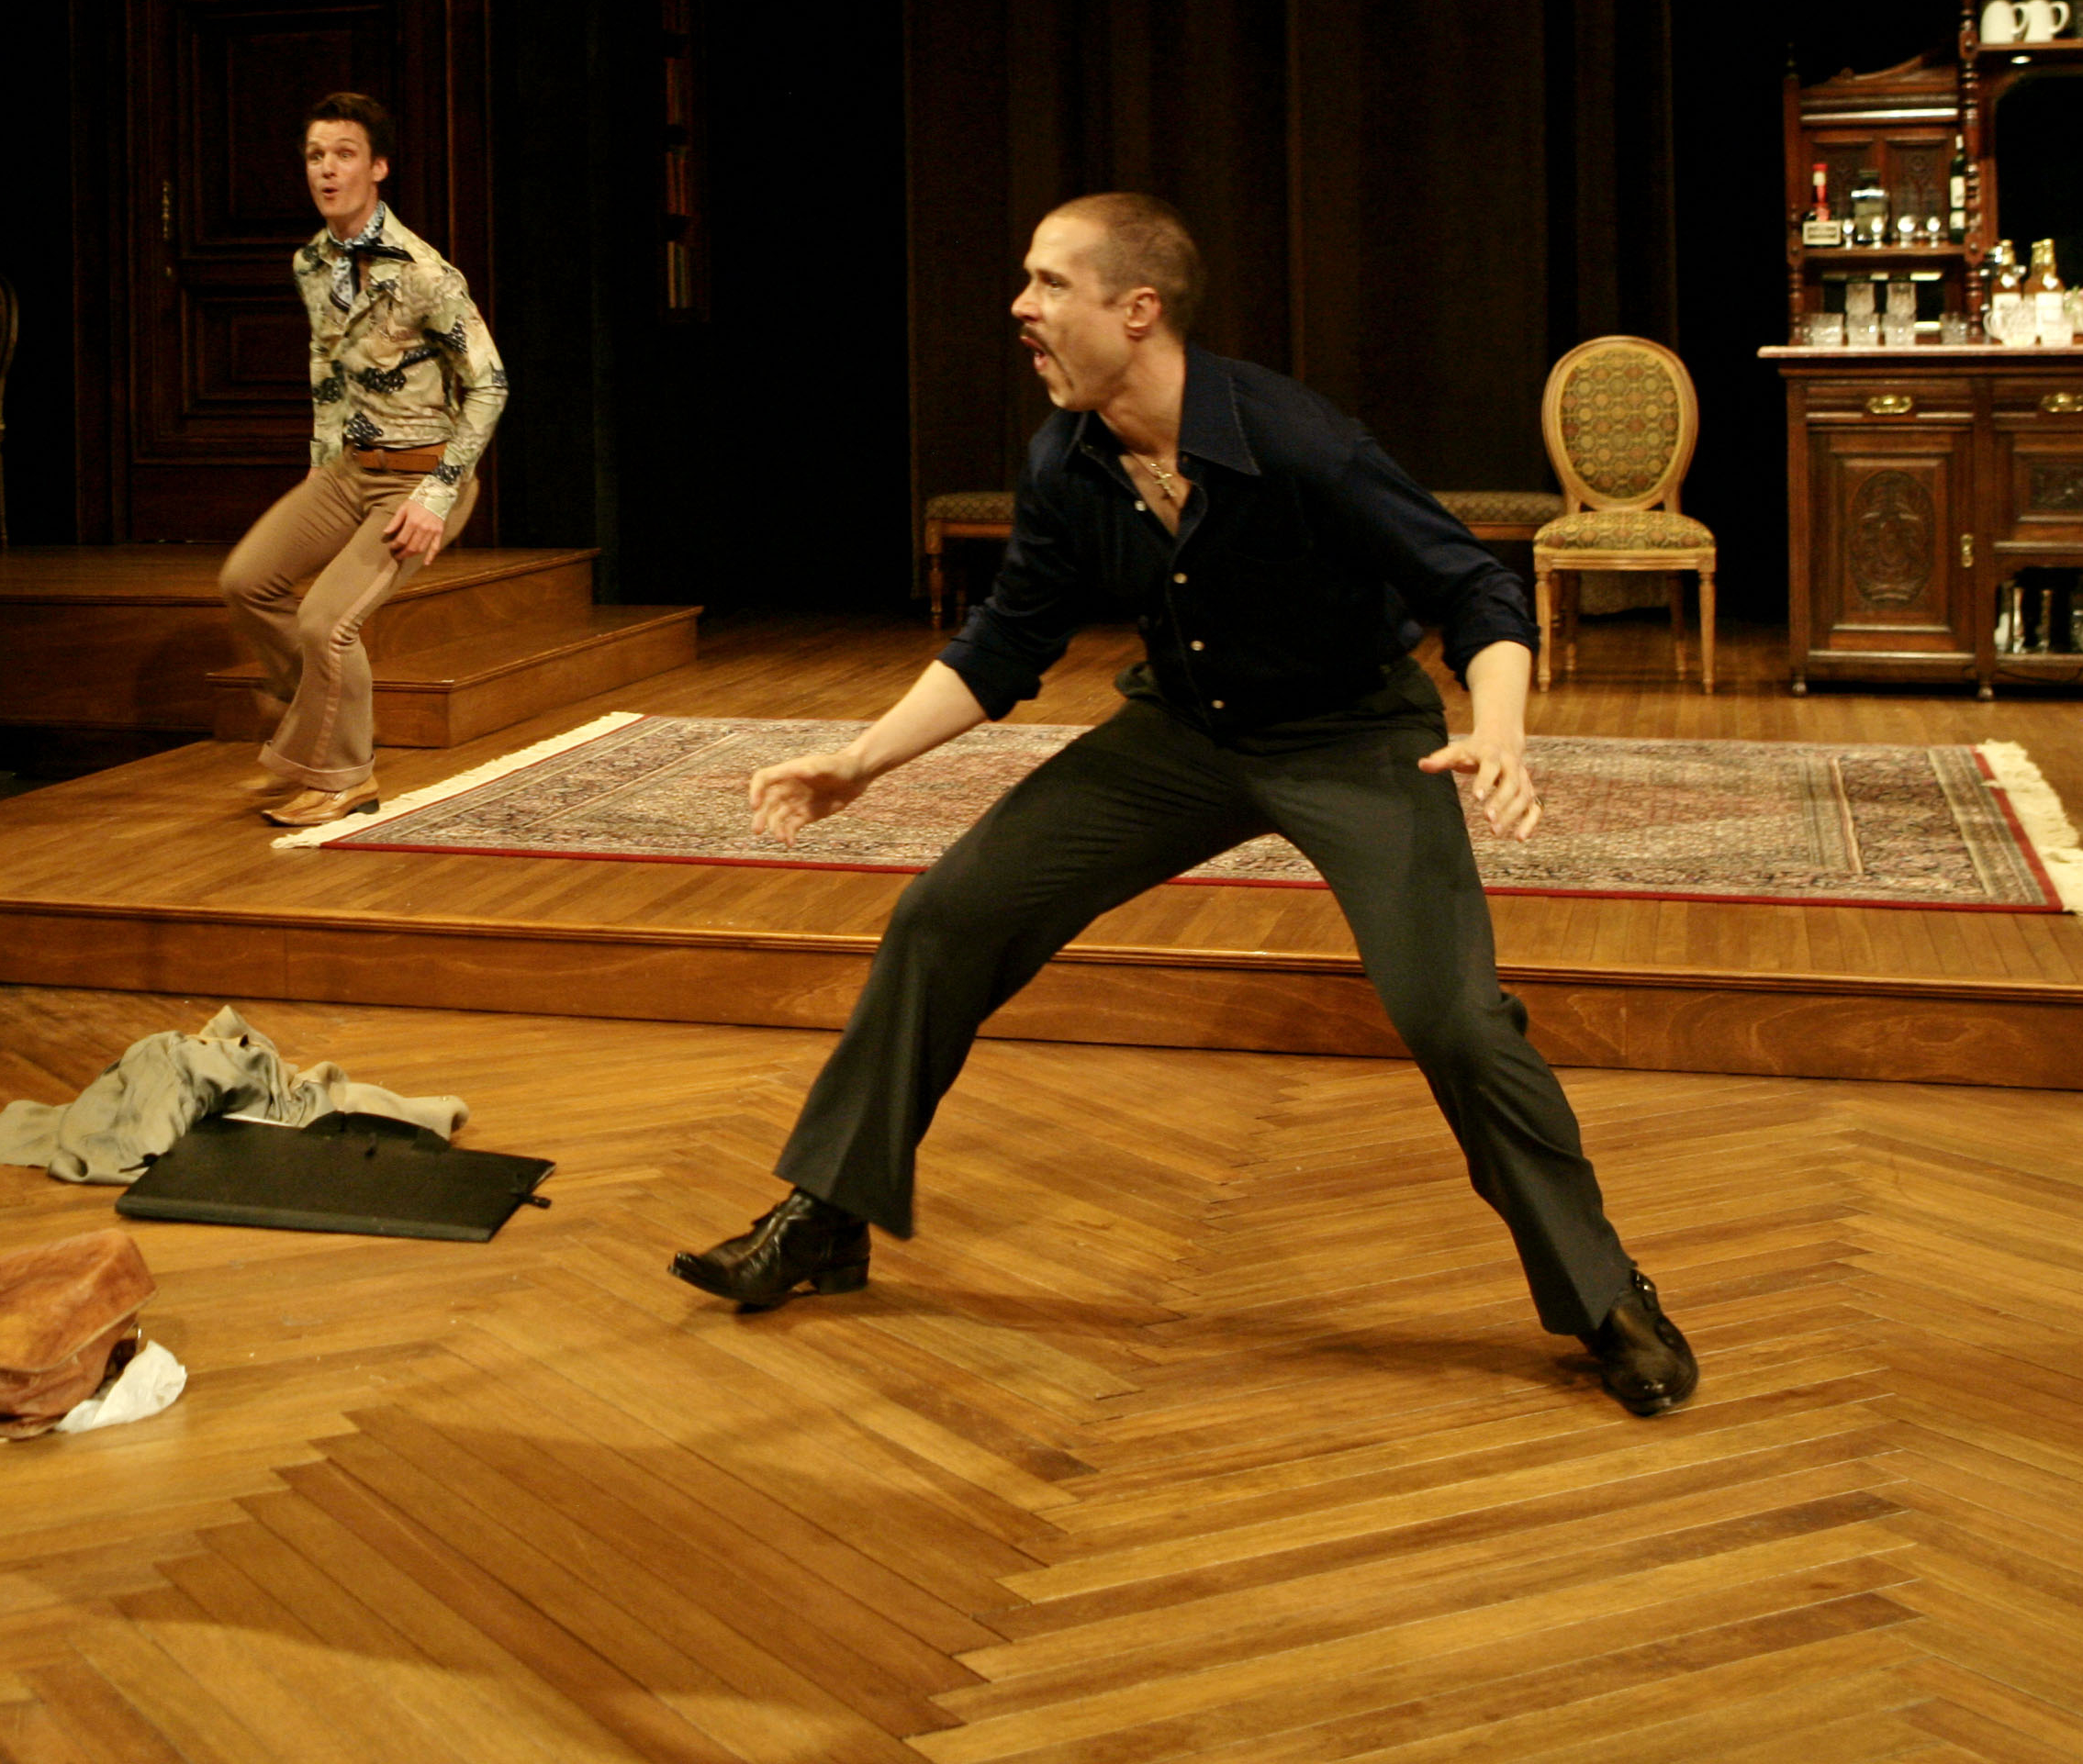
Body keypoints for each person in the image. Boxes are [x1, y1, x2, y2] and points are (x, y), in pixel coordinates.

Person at [666, 193, 1695, 1418]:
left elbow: (1474, 583)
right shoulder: (1069, 458)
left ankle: (1603, 1296)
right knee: (948, 915)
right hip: (1185, 732)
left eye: (1049, 284)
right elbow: (1006, 642)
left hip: (1355, 737)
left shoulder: (1294, 440)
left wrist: (1501, 729)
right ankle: (828, 1217)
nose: (1021, 308)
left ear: (1134, 309)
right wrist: (860, 762)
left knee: (1455, 1020)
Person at [221, 91, 510, 830]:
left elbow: (489, 385)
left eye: (343, 154)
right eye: (315, 155)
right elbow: (328, 367)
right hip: (349, 469)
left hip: (421, 476)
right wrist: (323, 459)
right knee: (247, 581)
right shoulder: (311, 262)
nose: (326, 169)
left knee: (326, 621)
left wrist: (438, 497)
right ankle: (310, 733)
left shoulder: (423, 272)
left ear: (376, 167)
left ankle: (344, 776)